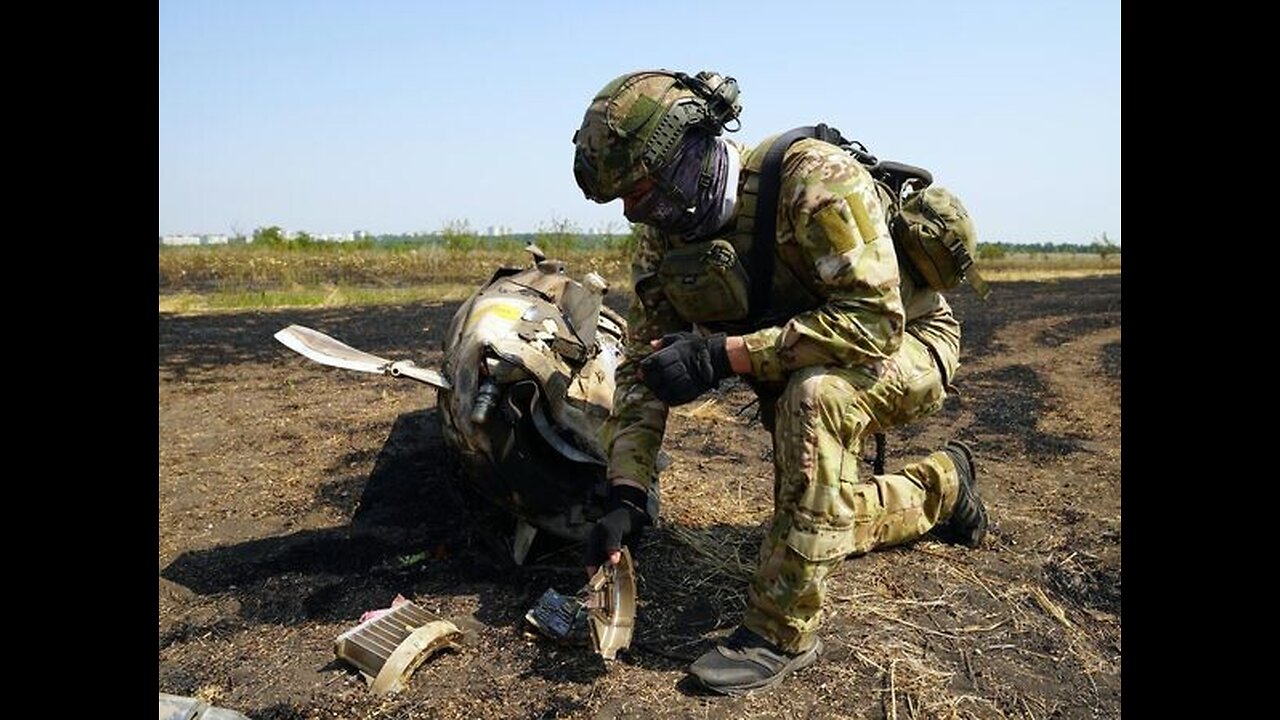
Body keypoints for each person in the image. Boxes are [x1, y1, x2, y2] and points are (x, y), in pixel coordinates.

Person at [571, 69, 989, 696]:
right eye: (624, 201)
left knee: (814, 397)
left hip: (907, 346)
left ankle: (781, 632)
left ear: (688, 151)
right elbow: (639, 367)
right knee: (821, 526)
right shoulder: (664, 240)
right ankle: (943, 486)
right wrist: (626, 490)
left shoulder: (813, 182)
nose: (635, 212)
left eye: (643, 191)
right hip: (806, 355)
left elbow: (874, 322)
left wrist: (723, 355)